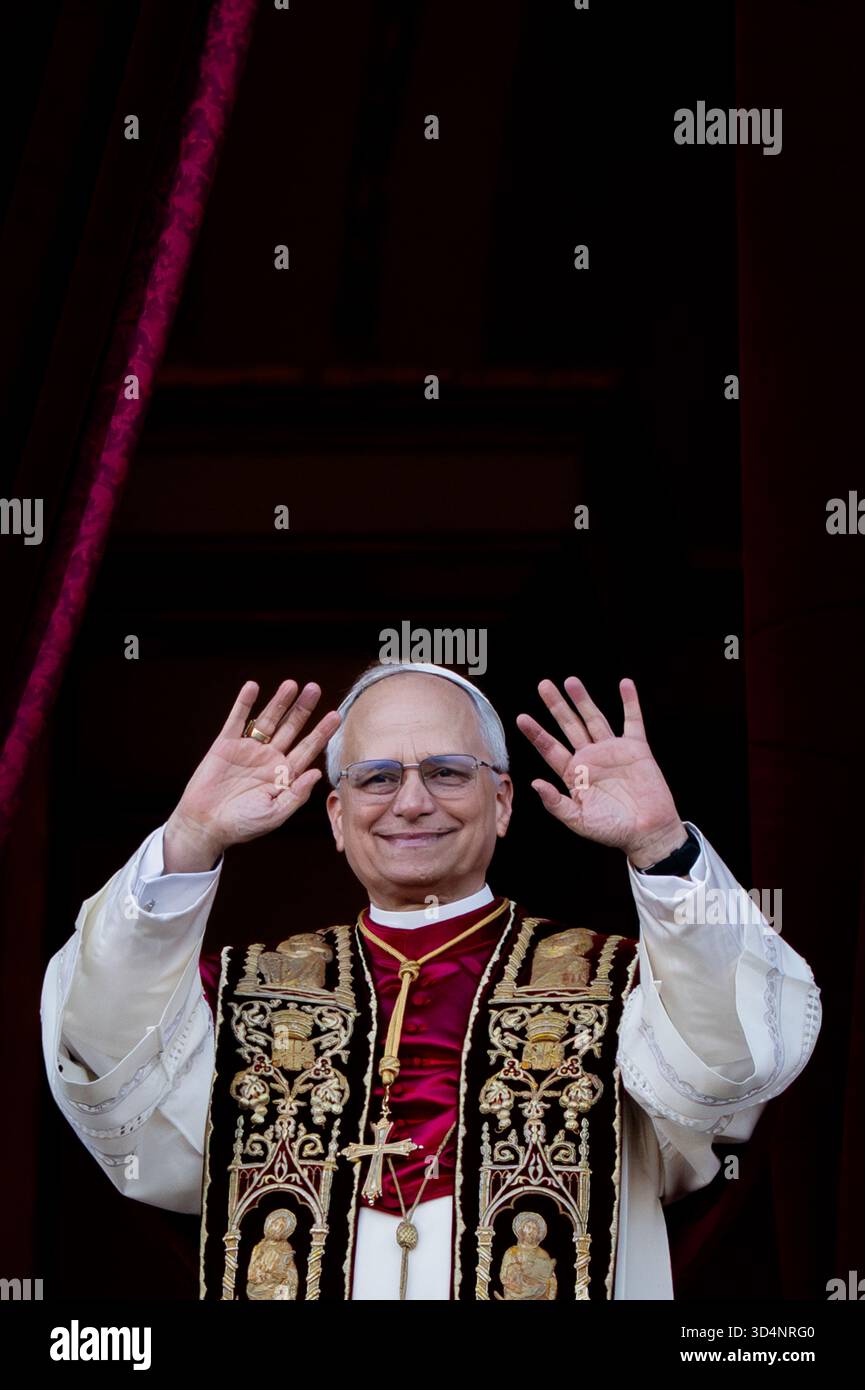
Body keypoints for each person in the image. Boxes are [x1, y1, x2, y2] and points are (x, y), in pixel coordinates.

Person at [40, 662, 821, 1300]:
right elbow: (108, 1057)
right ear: (337, 818)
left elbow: (734, 1062)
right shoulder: (244, 993)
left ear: (503, 801)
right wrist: (188, 842)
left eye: (447, 772)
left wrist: (660, 847)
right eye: (377, 779)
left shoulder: (620, 985)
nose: (411, 802)